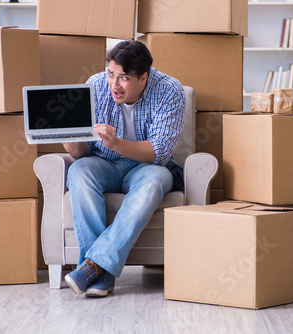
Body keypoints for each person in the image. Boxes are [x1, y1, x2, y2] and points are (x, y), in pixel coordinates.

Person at [62, 40, 185, 298]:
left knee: (155, 180)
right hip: (102, 163)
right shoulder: (95, 85)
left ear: (143, 78)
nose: (114, 85)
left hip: (148, 167)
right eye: (111, 74)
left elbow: (158, 152)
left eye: (124, 78)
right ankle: (100, 274)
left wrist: (116, 143)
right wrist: (70, 137)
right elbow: (80, 153)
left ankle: (91, 268)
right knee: (78, 171)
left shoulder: (169, 90)